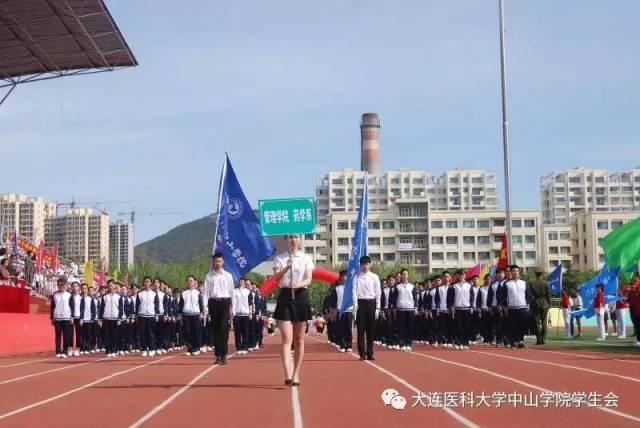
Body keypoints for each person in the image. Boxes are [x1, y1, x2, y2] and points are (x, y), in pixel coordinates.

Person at [272, 234, 314, 387]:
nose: (293, 240)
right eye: (290, 237)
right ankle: (287, 374)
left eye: (296, 237)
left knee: (299, 340)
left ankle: (296, 373)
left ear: (300, 239)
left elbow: (309, 278)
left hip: (301, 295)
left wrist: (300, 284)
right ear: (286, 240)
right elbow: (276, 278)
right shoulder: (280, 258)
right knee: (286, 339)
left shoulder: (306, 258)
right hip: (285, 297)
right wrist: (286, 268)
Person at [204, 252, 234, 364]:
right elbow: (205, 293)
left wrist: (233, 308)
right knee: (215, 330)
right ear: (213, 262)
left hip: (225, 302)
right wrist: (205, 308)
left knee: (224, 329)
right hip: (213, 303)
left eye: (219, 261)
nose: (217, 263)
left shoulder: (228, 276)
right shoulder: (208, 276)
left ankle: (224, 355)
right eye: (216, 261)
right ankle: (217, 355)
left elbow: (232, 292)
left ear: (223, 262)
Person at [501, 265, 532, 349]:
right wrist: (505, 307)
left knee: (522, 325)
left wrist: (528, 304)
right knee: (513, 326)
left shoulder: (524, 283)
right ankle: (513, 341)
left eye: (517, 271)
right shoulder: (507, 284)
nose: (515, 273)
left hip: (522, 307)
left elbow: (528, 295)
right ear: (510, 272)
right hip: (511, 308)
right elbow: (503, 297)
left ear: (519, 272)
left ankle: (520, 341)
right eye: (513, 271)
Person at [448, 270, 474, 350]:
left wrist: (472, 306)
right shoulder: (454, 286)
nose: (462, 276)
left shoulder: (469, 286)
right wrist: (451, 306)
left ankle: (465, 343)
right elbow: (450, 298)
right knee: (458, 327)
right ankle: (458, 343)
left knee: (466, 327)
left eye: (463, 275)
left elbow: (472, 297)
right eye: (460, 275)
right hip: (457, 309)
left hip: (466, 309)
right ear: (458, 276)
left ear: (465, 276)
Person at [181, 275, 205, 355]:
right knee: (188, 332)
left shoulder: (198, 293)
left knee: (196, 332)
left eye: (191, 281)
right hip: (186, 315)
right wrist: (180, 314)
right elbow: (181, 305)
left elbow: (201, 304)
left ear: (194, 282)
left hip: (196, 315)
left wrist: (201, 313)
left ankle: (196, 348)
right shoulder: (183, 293)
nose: (189, 282)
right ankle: (189, 348)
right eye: (188, 281)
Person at [391, 268, 414, 353]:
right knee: (401, 327)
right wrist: (394, 308)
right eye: (403, 274)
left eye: (406, 274)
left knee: (409, 327)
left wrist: (415, 307)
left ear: (408, 276)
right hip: (400, 309)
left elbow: (415, 298)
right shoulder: (397, 287)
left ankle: (408, 344)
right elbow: (394, 298)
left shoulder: (412, 286)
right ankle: (402, 343)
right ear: (401, 276)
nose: (404, 276)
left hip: (410, 309)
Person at [100, 280, 125, 357]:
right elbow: (102, 308)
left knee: (114, 335)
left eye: (112, 285)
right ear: (107, 287)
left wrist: (119, 318)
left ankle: (114, 349)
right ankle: (108, 350)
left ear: (114, 286)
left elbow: (121, 308)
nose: (110, 287)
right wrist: (100, 319)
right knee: (107, 335)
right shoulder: (104, 297)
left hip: (115, 318)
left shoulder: (119, 297)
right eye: (109, 285)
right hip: (106, 318)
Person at [50, 277, 74, 358]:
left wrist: (72, 317)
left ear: (66, 285)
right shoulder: (55, 294)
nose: (61, 286)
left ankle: (64, 351)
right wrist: (52, 317)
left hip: (67, 317)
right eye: (59, 285)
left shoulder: (69, 295)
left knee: (66, 335)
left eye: (62, 285)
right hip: (57, 318)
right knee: (58, 335)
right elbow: (52, 306)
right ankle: (58, 351)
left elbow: (72, 306)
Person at [136, 276, 160, 357]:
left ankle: (152, 348)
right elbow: (137, 305)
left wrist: (156, 314)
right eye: (145, 282)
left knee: (151, 333)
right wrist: (136, 315)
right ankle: (144, 349)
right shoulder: (139, 294)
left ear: (151, 283)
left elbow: (157, 305)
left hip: (151, 315)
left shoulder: (154, 293)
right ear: (143, 283)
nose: (146, 283)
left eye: (148, 282)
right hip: (142, 315)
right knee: (143, 333)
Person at [529, 270, 551, 345]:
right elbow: (548, 295)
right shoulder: (546, 283)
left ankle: (539, 339)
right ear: (542, 274)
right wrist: (549, 304)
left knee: (536, 322)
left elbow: (530, 295)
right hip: (545, 303)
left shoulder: (532, 283)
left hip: (535, 303)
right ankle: (543, 339)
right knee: (544, 322)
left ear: (535, 274)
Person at [233, 278, 251, 355]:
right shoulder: (234, 291)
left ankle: (245, 347)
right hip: (237, 314)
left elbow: (250, 303)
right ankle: (239, 348)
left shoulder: (247, 291)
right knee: (237, 332)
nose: (241, 283)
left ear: (244, 283)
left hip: (245, 314)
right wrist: (232, 312)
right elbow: (233, 302)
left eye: (243, 282)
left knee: (245, 332)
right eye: (240, 281)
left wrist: (250, 313)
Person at [78, 283, 96, 355]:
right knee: (81, 335)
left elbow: (93, 309)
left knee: (88, 335)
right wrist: (79, 318)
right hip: (80, 320)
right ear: (81, 289)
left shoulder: (90, 299)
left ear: (87, 290)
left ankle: (88, 348)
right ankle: (82, 348)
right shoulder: (78, 298)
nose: (84, 290)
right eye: (83, 289)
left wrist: (92, 318)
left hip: (88, 319)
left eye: (85, 289)